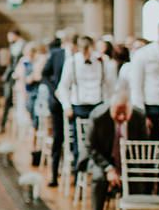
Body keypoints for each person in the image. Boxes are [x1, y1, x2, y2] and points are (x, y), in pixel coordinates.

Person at [85, 92, 148, 210]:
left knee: (137, 177)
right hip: (103, 159)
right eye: (117, 113)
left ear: (130, 109)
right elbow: (90, 147)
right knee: (98, 178)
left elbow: (142, 145)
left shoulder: (139, 116)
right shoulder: (98, 116)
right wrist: (109, 169)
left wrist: (126, 168)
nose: (121, 117)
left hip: (129, 160)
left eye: (124, 113)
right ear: (111, 108)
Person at [56, 35, 116, 171]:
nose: (85, 54)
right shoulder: (71, 62)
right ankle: (80, 170)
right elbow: (63, 87)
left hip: (99, 105)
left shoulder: (102, 61)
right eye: (83, 51)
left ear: (92, 48)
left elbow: (112, 86)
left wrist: (110, 105)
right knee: (81, 143)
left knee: (103, 141)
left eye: (87, 51)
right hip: (79, 106)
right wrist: (67, 106)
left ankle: (102, 170)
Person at [42, 34, 76, 186]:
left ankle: (75, 175)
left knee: (75, 138)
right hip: (57, 101)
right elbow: (45, 74)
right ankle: (54, 175)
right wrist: (54, 90)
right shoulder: (57, 55)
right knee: (58, 137)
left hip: (74, 102)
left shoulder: (80, 58)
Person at [0, 29, 24, 132]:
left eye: (9, 36)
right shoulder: (13, 46)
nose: (8, 38)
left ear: (15, 35)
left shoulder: (23, 46)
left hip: (18, 76)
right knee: (7, 99)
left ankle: (6, 124)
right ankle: (3, 124)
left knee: (11, 99)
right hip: (11, 76)